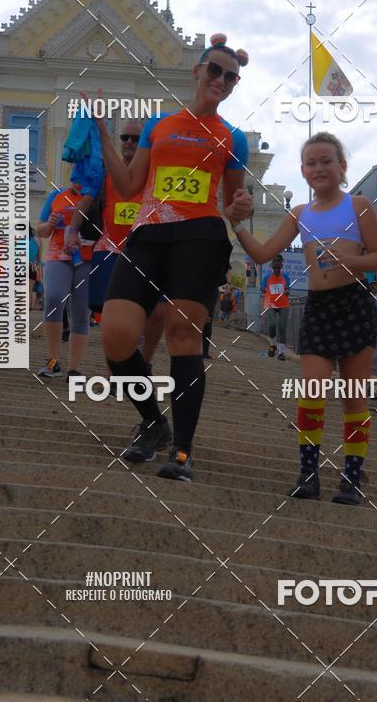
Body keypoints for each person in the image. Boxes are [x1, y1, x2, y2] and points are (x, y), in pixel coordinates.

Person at [95, 32, 252, 481]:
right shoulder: (158, 125)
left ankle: (182, 450)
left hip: (199, 237)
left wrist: (242, 206)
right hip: (148, 235)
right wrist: (104, 134)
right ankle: (152, 421)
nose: (221, 80)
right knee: (116, 335)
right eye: (215, 70)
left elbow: (233, 203)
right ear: (197, 71)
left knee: (183, 336)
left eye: (231, 77)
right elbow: (129, 186)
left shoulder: (233, 137)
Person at [230, 132, 377, 505]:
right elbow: (263, 253)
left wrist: (351, 260)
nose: (319, 168)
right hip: (318, 307)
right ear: (302, 171)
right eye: (311, 163)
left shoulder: (360, 205)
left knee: (353, 397)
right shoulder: (300, 214)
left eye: (326, 161)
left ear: (342, 166)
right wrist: (236, 225)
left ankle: (351, 478)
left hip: (354, 305)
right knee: (312, 389)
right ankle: (308, 474)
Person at [66, 119, 166, 374]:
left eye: (136, 138)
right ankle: (115, 373)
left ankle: (144, 364)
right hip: (110, 251)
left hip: (148, 251)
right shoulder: (105, 172)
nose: (129, 142)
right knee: (115, 320)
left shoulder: (155, 173)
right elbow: (86, 201)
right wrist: (72, 230)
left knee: (157, 312)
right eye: (125, 137)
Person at [34, 178, 96, 380]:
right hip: (57, 256)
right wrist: (49, 224)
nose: (79, 179)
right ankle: (53, 362)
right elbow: (40, 231)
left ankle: (73, 369)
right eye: (76, 175)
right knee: (53, 299)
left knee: (81, 312)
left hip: (88, 259)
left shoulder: (97, 196)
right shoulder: (56, 195)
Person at [261, 254, 291, 360]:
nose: (277, 269)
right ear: (272, 266)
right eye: (275, 267)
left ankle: (281, 353)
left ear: (281, 266)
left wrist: (286, 291)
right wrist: (267, 290)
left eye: (278, 267)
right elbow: (262, 289)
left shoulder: (286, 277)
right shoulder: (267, 277)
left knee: (282, 327)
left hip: (283, 304)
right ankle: (273, 344)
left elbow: (288, 289)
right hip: (270, 304)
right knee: (272, 325)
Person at [28, 224, 42, 311]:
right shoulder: (37, 240)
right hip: (33, 266)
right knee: (29, 290)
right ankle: (28, 307)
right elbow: (39, 258)